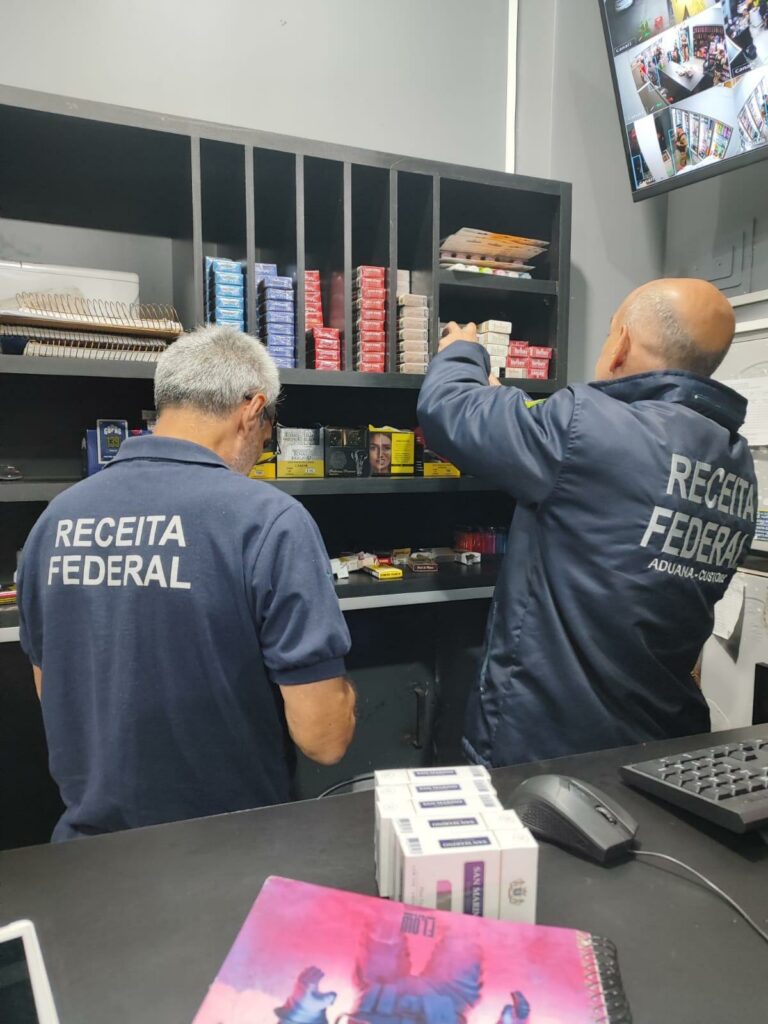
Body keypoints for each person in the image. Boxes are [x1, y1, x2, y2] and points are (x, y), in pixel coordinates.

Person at [17, 325, 357, 839]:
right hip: (226, 853)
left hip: (88, 855)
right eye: (269, 427)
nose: (265, 443)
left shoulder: (56, 519)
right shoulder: (269, 521)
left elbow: (56, 691)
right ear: (252, 409)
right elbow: (324, 739)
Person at [417, 279, 755, 768]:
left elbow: (448, 409)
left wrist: (461, 352)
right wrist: (513, 410)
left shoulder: (587, 425)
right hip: (662, 738)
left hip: (548, 745)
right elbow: (594, 470)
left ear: (621, 343)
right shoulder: (736, 464)